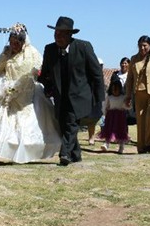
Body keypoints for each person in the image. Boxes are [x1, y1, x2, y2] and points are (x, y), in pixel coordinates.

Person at [0, 23, 61, 163]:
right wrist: (4, 84)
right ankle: (7, 151)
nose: (14, 45)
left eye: (17, 42)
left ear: (23, 41)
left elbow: (38, 71)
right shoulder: (6, 53)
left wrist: (23, 84)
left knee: (28, 125)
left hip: (28, 93)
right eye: (12, 42)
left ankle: (26, 153)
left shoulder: (32, 53)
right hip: (7, 92)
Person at [38, 16, 105, 166]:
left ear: (70, 35)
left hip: (79, 95)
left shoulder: (84, 47)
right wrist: (46, 88)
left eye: (61, 34)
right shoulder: (50, 49)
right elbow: (46, 73)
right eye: (56, 34)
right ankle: (76, 154)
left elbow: (96, 73)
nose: (58, 37)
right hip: (60, 96)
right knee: (63, 125)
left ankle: (65, 154)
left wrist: (99, 97)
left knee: (71, 123)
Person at [124, 35, 150, 154]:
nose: (142, 48)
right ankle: (142, 146)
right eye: (140, 45)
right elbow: (130, 79)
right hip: (138, 93)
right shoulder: (134, 59)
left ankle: (149, 142)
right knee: (140, 120)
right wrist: (128, 95)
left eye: (145, 46)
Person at [98, 78, 130, 154]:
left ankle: (121, 146)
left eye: (117, 89)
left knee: (121, 131)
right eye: (113, 89)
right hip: (110, 116)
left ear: (120, 89)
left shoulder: (123, 97)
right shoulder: (109, 97)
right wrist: (105, 113)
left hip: (120, 116)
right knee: (108, 130)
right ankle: (106, 144)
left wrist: (127, 104)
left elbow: (127, 107)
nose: (115, 91)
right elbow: (105, 106)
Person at [81, 57, 105, 146]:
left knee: (93, 120)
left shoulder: (100, 77)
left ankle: (91, 138)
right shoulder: (85, 74)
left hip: (96, 100)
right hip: (86, 99)